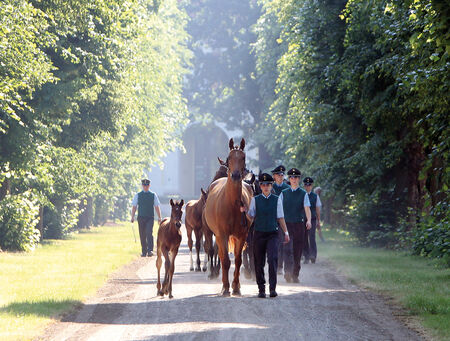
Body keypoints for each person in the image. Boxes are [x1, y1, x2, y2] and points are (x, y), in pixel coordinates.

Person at [241, 173, 289, 298]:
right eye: (263, 184)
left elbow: (281, 217)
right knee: (259, 261)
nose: (265, 186)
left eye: (268, 184)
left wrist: (286, 232)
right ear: (260, 186)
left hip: (273, 233)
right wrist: (245, 211)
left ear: (271, 185)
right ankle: (261, 289)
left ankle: (272, 288)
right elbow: (251, 217)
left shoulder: (276, 199)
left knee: (272, 259)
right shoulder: (255, 200)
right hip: (259, 233)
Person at [279, 168, 312, 283]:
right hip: (286, 224)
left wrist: (309, 220)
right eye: (292, 177)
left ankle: (295, 274)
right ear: (289, 179)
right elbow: (279, 209)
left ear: (299, 179)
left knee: (297, 249)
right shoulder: (284, 193)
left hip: (299, 224)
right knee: (287, 248)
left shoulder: (303, 193)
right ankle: (287, 271)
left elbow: (307, 208)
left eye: (296, 177)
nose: (294, 179)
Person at [131, 179, 162, 257]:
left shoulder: (153, 195)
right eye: (144, 185)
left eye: (147, 185)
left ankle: (150, 250)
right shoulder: (138, 195)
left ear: (149, 186)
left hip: (150, 217)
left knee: (149, 232)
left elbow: (156, 206)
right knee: (142, 234)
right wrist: (132, 217)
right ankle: (144, 251)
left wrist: (159, 217)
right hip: (141, 217)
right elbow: (134, 206)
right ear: (142, 186)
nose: (145, 187)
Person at [271, 165, 290, 275]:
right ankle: (274, 264)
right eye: (278, 175)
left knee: (283, 243)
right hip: (272, 219)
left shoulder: (287, 189)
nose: (280, 176)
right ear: (274, 176)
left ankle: (280, 266)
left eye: (282, 175)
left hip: (284, 219)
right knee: (274, 243)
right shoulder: (269, 187)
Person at [303, 177, 321, 264]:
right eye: (306, 185)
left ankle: (313, 255)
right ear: (304, 186)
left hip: (313, 219)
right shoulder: (302, 195)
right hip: (303, 219)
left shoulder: (315, 196)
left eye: (309, 185)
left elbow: (317, 209)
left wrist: (318, 220)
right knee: (304, 237)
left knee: (312, 237)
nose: (307, 187)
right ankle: (306, 256)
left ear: (311, 186)